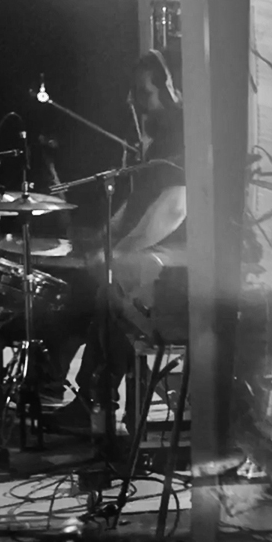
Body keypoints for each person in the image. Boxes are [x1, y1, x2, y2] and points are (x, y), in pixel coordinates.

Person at [52, 48, 187, 433]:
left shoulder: (185, 139)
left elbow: (174, 209)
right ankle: (70, 387)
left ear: (171, 91)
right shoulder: (158, 142)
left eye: (145, 93)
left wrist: (118, 252)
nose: (136, 102)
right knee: (89, 285)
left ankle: (93, 400)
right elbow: (135, 203)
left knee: (110, 290)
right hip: (155, 248)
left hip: (179, 258)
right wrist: (103, 237)